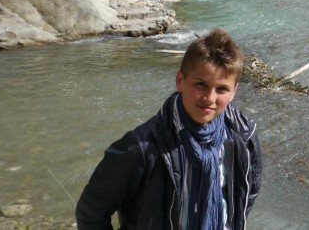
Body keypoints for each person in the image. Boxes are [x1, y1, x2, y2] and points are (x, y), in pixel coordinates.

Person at [76, 28, 262, 230]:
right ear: (180, 81)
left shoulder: (244, 136)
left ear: (234, 91)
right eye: (200, 84)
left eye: (221, 89)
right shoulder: (141, 148)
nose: (209, 98)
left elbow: (248, 193)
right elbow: (91, 212)